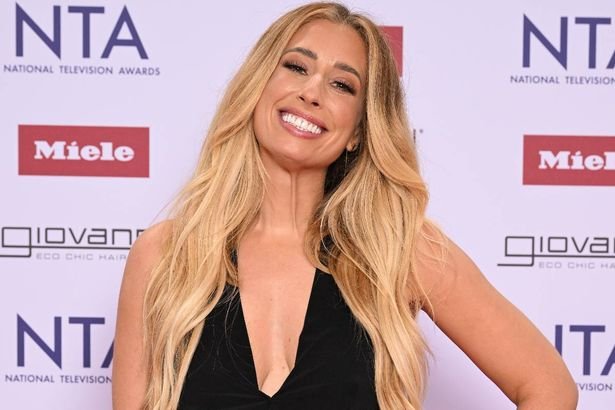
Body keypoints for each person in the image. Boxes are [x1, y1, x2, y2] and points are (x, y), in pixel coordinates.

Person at [112, 2, 578, 409]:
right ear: (256, 89)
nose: (312, 93)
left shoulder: (399, 251)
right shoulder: (165, 254)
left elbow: (548, 387)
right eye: (296, 67)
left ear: (357, 131)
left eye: (341, 85)